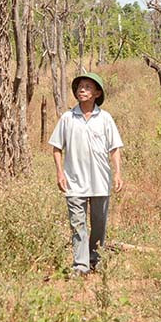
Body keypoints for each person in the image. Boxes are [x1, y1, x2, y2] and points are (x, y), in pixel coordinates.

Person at [48, 72, 123, 276]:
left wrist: (117, 174)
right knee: (78, 224)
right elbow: (56, 147)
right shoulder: (67, 118)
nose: (82, 90)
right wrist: (60, 173)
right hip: (74, 182)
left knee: (99, 224)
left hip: (100, 181)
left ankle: (94, 259)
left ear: (97, 93)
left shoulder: (105, 118)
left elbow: (114, 148)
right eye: (80, 86)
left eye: (88, 87)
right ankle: (80, 266)